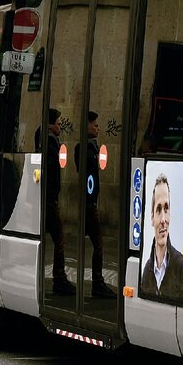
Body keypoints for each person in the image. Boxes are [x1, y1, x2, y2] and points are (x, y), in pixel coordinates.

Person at [36, 108, 74, 295]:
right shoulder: (51, 145)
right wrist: (53, 198)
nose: (61, 126)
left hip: (45, 200)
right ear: (51, 126)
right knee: (59, 239)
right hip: (49, 201)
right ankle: (59, 278)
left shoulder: (44, 139)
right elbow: (51, 175)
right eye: (59, 123)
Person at [140, 173, 183, 302]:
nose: (163, 220)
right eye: (158, 209)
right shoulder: (146, 270)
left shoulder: (179, 263)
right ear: (152, 218)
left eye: (166, 209)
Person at [81, 111, 113, 297]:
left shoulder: (92, 148)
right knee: (98, 244)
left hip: (90, 203)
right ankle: (97, 283)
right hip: (89, 205)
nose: (97, 127)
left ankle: (97, 282)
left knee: (97, 243)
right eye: (94, 124)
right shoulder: (84, 149)